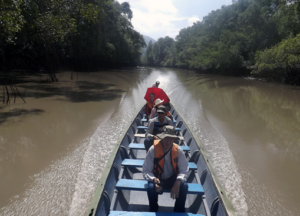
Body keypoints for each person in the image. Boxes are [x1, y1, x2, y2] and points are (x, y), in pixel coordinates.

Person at [143, 125, 189, 212]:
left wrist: (178, 181)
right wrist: (153, 179)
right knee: (150, 187)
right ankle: (153, 210)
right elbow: (146, 170)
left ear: (174, 139)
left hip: (172, 179)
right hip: (158, 179)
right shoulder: (153, 149)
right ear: (162, 138)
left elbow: (184, 169)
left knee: (184, 186)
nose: (168, 142)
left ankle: (178, 211)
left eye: (171, 139)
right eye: (166, 138)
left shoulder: (178, 151)